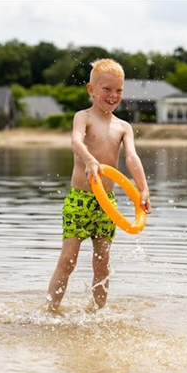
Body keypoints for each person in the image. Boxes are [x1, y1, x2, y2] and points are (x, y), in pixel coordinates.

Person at [46, 58, 151, 312]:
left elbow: (131, 158)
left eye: (118, 90)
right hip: (80, 200)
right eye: (106, 89)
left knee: (102, 262)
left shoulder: (123, 127)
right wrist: (91, 160)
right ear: (91, 90)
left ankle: (97, 312)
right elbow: (75, 142)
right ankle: (51, 310)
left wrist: (143, 189)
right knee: (68, 259)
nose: (113, 95)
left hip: (107, 205)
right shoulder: (83, 117)